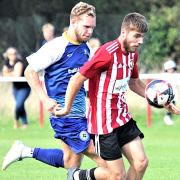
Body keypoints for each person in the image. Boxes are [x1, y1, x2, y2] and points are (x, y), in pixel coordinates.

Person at [53, 12, 180, 180]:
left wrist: (161, 101)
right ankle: (77, 176)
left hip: (122, 118)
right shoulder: (106, 53)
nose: (140, 41)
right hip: (103, 124)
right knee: (116, 175)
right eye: (136, 36)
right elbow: (77, 78)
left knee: (141, 163)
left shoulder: (133, 55)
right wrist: (67, 108)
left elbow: (134, 83)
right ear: (124, 32)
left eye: (142, 37)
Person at [2, 2, 113, 180]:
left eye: (92, 27)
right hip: (64, 116)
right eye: (86, 26)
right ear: (73, 21)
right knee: (110, 166)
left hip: (79, 113)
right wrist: (45, 100)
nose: (89, 32)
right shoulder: (57, 46)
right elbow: (29, 72)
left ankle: (24, 151)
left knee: (71, 162)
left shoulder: (85, 48)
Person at [2, 47, 31, 129]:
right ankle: (25, 124)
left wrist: (9, 73)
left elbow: (17, 75)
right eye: (11, 54)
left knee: (18, 105)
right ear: (7, 55)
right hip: (15, 88)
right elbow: (4, 75)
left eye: (15, 53)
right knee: (21, 105)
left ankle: (16, 120)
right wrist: (12, 73)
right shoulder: (6, 63)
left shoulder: (19, 63)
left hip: (24, 87)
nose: (13, 55)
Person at [163, 60, 178, 125]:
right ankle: (167, 118)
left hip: (174, 94)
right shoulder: (164, 76)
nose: (171, 70)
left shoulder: (175, 76)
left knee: (173, 106)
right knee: (170, 106)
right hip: (167, 95)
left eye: (172, 68)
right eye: (169, 68)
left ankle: (169, 118)